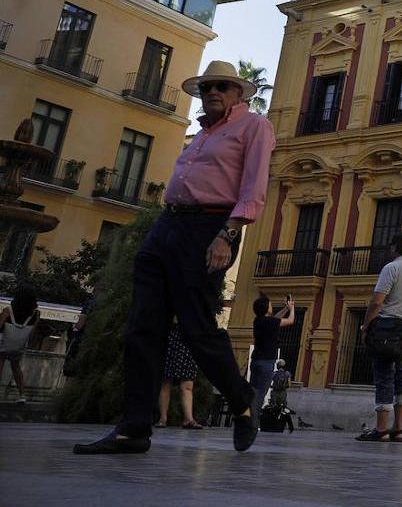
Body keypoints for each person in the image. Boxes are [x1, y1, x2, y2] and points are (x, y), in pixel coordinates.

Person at [74, 61, 276, 455]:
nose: (212, 92)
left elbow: (253, 186)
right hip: (167, 225)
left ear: (238, 93)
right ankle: (133, 427)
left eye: (221, 86)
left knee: (197, 327)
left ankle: (240, 399)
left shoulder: (254, 126)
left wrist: (227, 235)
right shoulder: (200, 134)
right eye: (206, 87)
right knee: (141, 327)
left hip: (210, 227)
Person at [356, 231, 402, 443]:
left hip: (386, 328)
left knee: (384, 377)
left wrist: (366, 326)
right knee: (401, 377)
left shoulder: (392, 268)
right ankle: (399, 429)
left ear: (395, 247)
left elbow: (377, 301)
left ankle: (381, 430)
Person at [250, 294, 296, 415]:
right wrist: (292, 309)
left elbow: (275, 319)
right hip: (267, 362)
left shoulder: (258, 321)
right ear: (266, 308)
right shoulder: (270, 322)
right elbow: (290, 321)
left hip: (255, 361)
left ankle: (247, 416)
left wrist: (285, 309)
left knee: (253, 391)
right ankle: (252, 419)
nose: (271, 306)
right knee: (261, 393)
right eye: (269, 304)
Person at [156, 324, 202, 429]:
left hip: (190, 337)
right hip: (171, 334)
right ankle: (163, 418)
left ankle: (189, 419)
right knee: (166, 381)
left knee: (187, 384)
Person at [0, 288, 40, 403]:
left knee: (0, 361)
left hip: (4, 344)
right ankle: (22, 395)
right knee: (16, 367)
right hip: (18, 346)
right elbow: (32, 333)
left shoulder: (8, 310)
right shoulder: (36, 314)